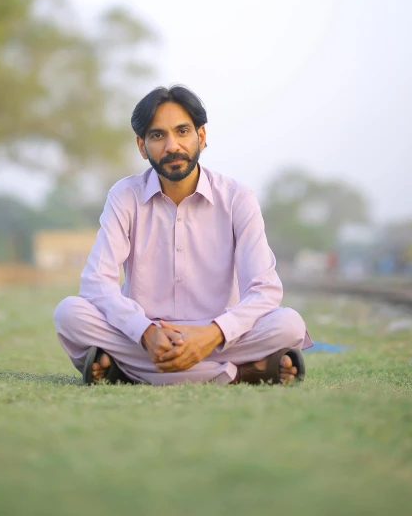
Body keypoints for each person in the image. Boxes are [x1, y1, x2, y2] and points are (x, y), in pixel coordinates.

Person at [54, 85, 312, 386]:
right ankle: (241, 372)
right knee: (70, 314)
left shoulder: (237, 198)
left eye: (182, 132)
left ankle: (125, 372)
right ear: (142, 146)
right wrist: (146, 332)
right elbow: (97, 283)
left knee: (289, 324)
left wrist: (211, 334)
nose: (172, 146)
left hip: (218, 335)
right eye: (157, 135)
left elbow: (265, 289)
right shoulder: (125, 196)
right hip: (146, 336)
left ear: (200, 136)